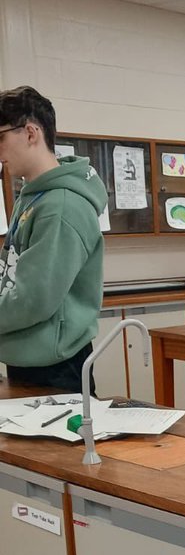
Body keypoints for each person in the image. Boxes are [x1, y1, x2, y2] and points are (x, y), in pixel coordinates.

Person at [0, 85, 107, 392]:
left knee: (61, 441)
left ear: (31, 133)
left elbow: (34, 299)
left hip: (55, 364)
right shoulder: (32, 196)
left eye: (1, 138)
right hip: (27, 351)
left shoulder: (60, 206)